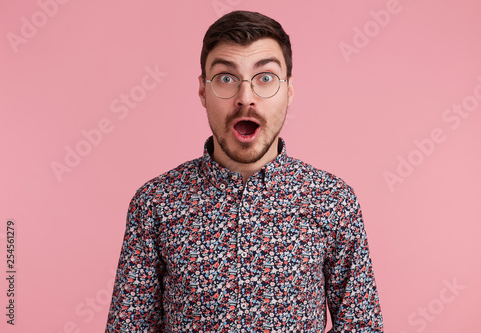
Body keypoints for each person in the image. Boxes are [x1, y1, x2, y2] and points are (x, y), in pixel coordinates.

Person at [105, 10, 383, 332]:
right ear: (202, 91)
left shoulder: (333, 200)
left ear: (289, 90)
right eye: (226, 78)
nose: (245, 98)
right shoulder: (155, 203)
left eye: (265, 78)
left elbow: (361, 325)